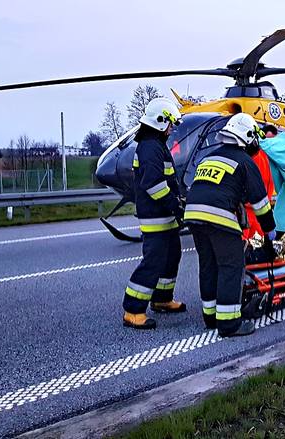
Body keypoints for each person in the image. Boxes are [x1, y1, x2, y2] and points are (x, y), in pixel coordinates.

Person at [184, 113, 276, 337]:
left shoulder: (210, 158)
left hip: (193, 214)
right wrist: (269, 231)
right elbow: (261, 203)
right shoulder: (245, 162)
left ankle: (211, 317)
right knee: (231, 266)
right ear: (247, 137)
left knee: (209, 265)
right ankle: (229, 324)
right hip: (219, 216)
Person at [122, 98, 187, 330]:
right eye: (170, 124)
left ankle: (161, 300)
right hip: (156, 217)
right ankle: (133, 310)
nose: (171, 129)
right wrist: (174, 205)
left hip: (165, 216)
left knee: (172, 256)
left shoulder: (156, 145)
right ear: (160, 122)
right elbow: (154, 184)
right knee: (154, 261)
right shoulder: (150, 147)